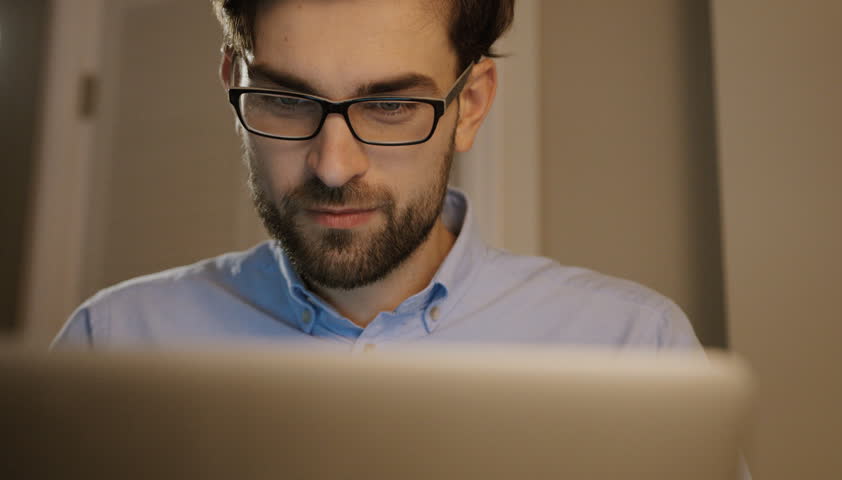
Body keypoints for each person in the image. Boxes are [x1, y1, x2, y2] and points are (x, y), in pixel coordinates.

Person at [52, 0, 699, 352]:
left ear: (468, 106)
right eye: (286, 100)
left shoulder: (630, 344)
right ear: (233, 83)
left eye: (389, 106)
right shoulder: (112, 341)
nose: (334, 166)